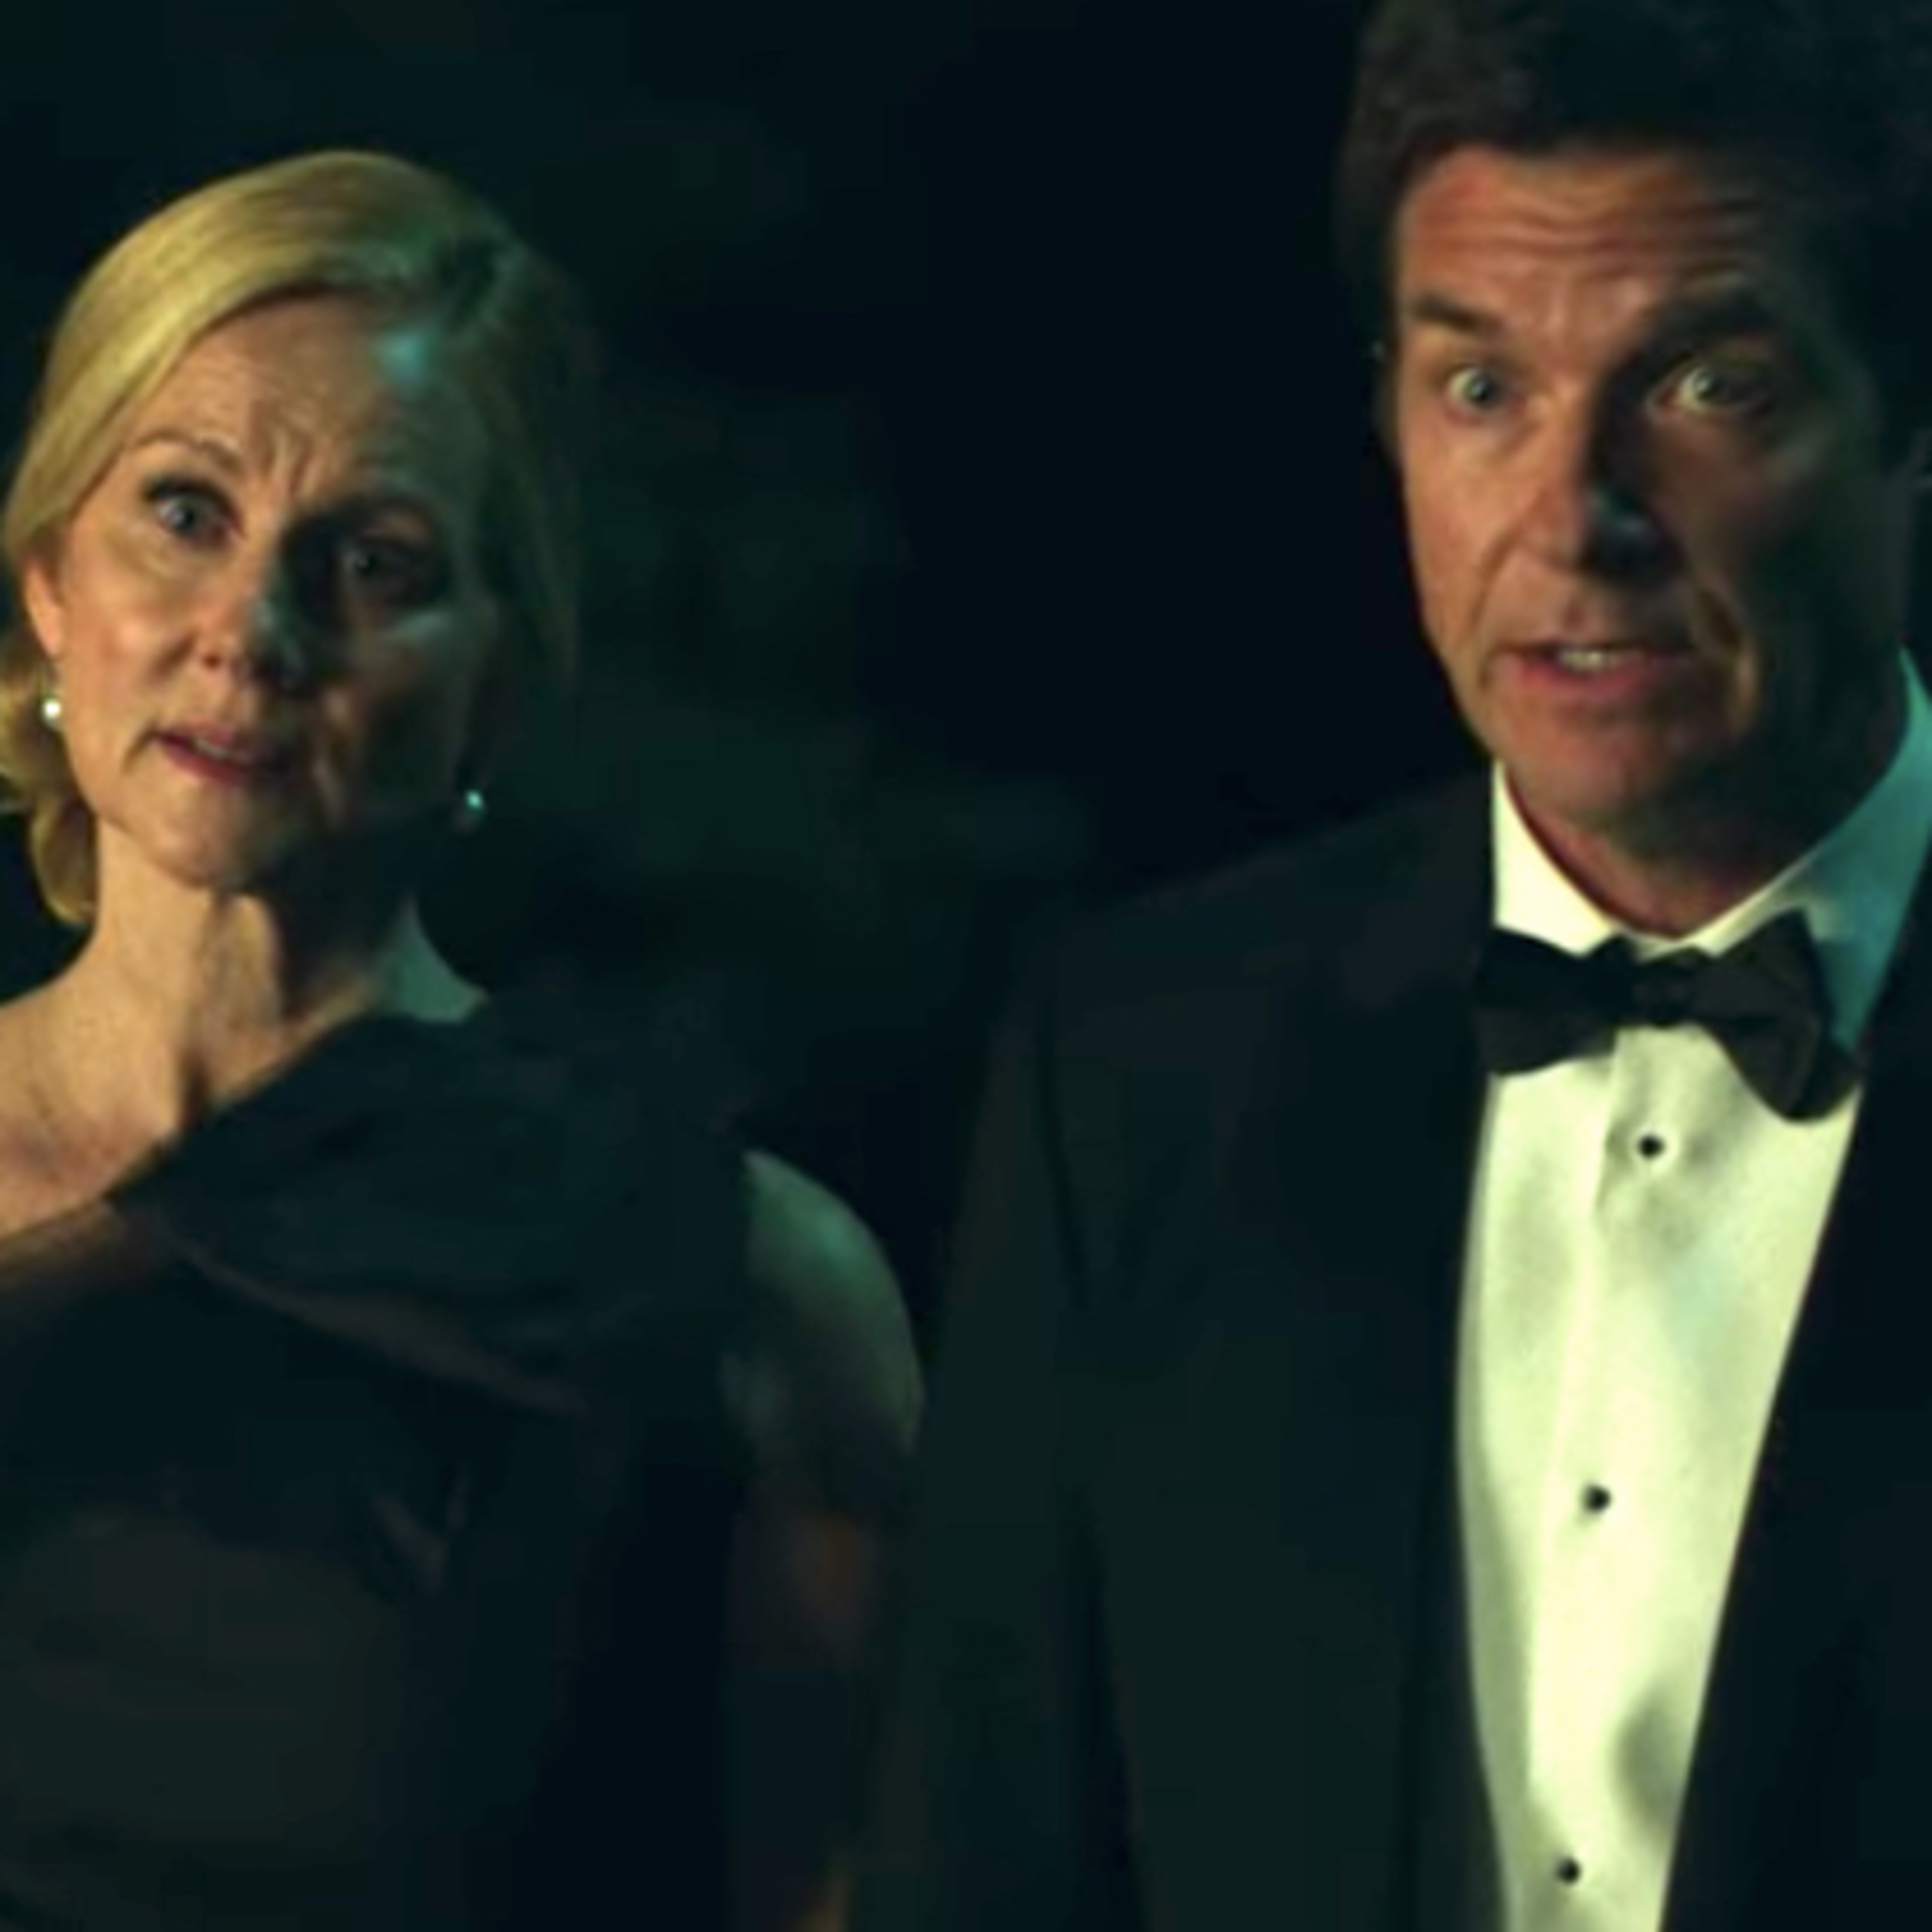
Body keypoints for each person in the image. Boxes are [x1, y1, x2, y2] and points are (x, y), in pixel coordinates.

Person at [855, 0, 1932, 1927]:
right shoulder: (1135, 1076)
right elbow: (988, 1864)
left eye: (1708, 386)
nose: (1576, 521)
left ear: (1911, 421)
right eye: (1483, 389)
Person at [0, 149, 920, 1930]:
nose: (249, 633)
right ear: (51, 581)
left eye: (374, 561)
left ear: (500, 669)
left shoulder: (736, 1281)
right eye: (183, 511)